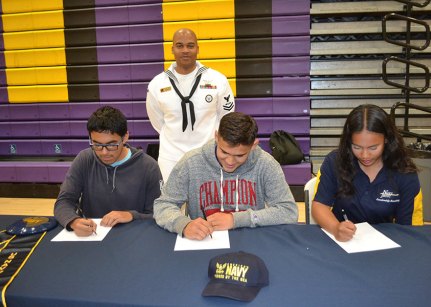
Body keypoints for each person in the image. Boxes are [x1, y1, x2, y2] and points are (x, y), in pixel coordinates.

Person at [154, 112, 298, 240]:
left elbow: (288, 211)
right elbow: (163, 205)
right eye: (224, 152)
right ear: (216, 137)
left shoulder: (266, 164)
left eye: (240, 155)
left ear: (254, 145)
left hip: (252, 240)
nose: (230, 161)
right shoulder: (191, 162)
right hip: (205, 241)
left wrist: (238, 219)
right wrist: (183, 224)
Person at [311, 104, 423, 242]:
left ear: (386, 139)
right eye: (356, 147)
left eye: (373, 147)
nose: (365, 155)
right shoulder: (335, 161)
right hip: (342, 243)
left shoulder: (404, 172)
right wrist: (335, 228)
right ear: (348, 141)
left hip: (388, 245)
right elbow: (319, 206)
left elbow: (408, 228)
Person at [54, 106, 162, 236]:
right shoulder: (85, 159)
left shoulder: (149, 167)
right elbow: (64, 201)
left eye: (111, 145)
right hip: (94, 236)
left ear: (125, 137)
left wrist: (131, 215)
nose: (104, 152)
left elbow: (159, 214)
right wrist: (74, 221)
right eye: (97, 145)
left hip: (135, 236)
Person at [146, 28, 235, 182]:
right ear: (172, 49)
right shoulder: (157, 84)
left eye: (190, 45)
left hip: (208, 155)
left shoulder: (217, 80)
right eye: (180, 46)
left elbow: (226, 117)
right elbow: (157, 122)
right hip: (171, 157)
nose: (185, 50)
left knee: (207, 202)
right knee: (172, 204)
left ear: (198, 49)